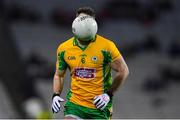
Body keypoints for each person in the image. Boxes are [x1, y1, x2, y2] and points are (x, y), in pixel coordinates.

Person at [51, 6, 129, 119]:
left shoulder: (107, 47)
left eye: (87, 19)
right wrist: (55, 95)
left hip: (99, 107)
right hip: (75, 104)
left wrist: (108, 94)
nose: (84, 23)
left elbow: (124, 70)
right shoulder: (64, 48)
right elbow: (59, 75)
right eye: (81, 19)